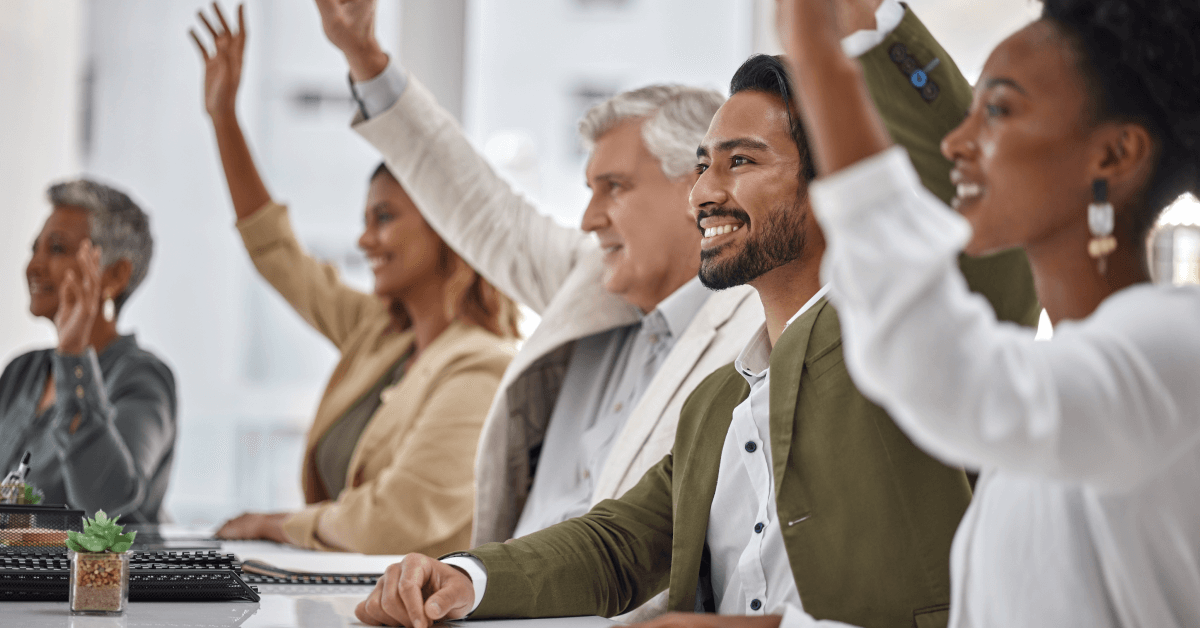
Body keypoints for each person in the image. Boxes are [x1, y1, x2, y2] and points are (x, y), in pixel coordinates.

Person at [350, 1, 1045, 627]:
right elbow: (617, 545)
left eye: (740, 161)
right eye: (702, 165)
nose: (704, 193)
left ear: (832, 179)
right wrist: (465, 577)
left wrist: (871, 21)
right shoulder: (716, 403)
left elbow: (970, 191)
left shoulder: (910, 339)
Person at [778, 0, 1200, 625]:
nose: (956, 140)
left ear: (1114, 156)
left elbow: (946, 372)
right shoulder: (1056, 390)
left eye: (999, 110)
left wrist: (822, 67)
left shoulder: (1176, 348)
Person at [313, 0, 768, 555]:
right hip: (494, 595)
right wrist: (367, 60)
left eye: (614, 187)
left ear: (693, 187)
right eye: (589, 190)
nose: (588, 218)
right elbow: (481, 208)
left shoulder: (758, 330)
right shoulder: (592, 282)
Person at [190, 5, 518, 555]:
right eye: (365, 220)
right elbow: (277, 253)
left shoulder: (483, 366)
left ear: (445, 228)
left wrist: (278, 524)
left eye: (384, 218)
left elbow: (392, 522)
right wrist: (223, 116)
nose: (365, 241)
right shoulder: (379, 334)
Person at [0, 179, 176, 523]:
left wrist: (73, 356)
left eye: (57, 249)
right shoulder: (22, 372)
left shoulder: (141, 378)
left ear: (115, 274)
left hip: (94, 577)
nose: (33, 266)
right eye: (33, 249)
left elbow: (106, 502)